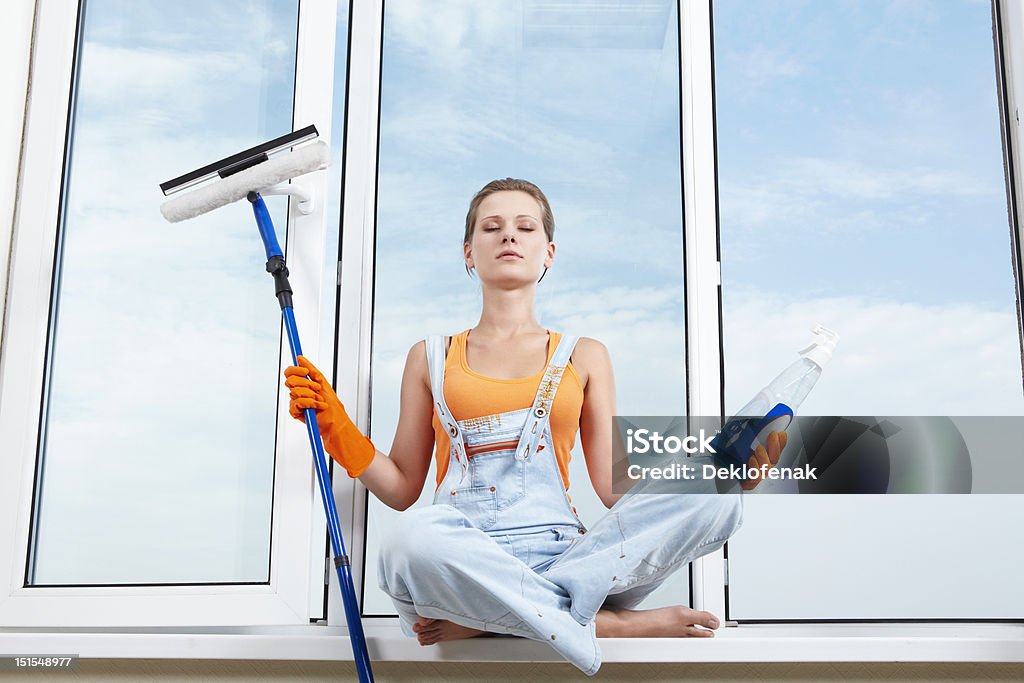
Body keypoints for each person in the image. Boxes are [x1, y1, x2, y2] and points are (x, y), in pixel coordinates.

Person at [284, 178, 785, 676]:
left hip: (569, 562)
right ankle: (605, 624)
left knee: (720, 498)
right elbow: (401, 490)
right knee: (408, 538)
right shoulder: (429, 357)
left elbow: (616, 488)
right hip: (464, 562)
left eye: (525, 228)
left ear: (547, 253)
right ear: (468, 252)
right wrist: (338, 430)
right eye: (492, 227)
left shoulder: (586, 356)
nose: (508, 237)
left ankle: (504, 617)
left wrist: (723, 477)